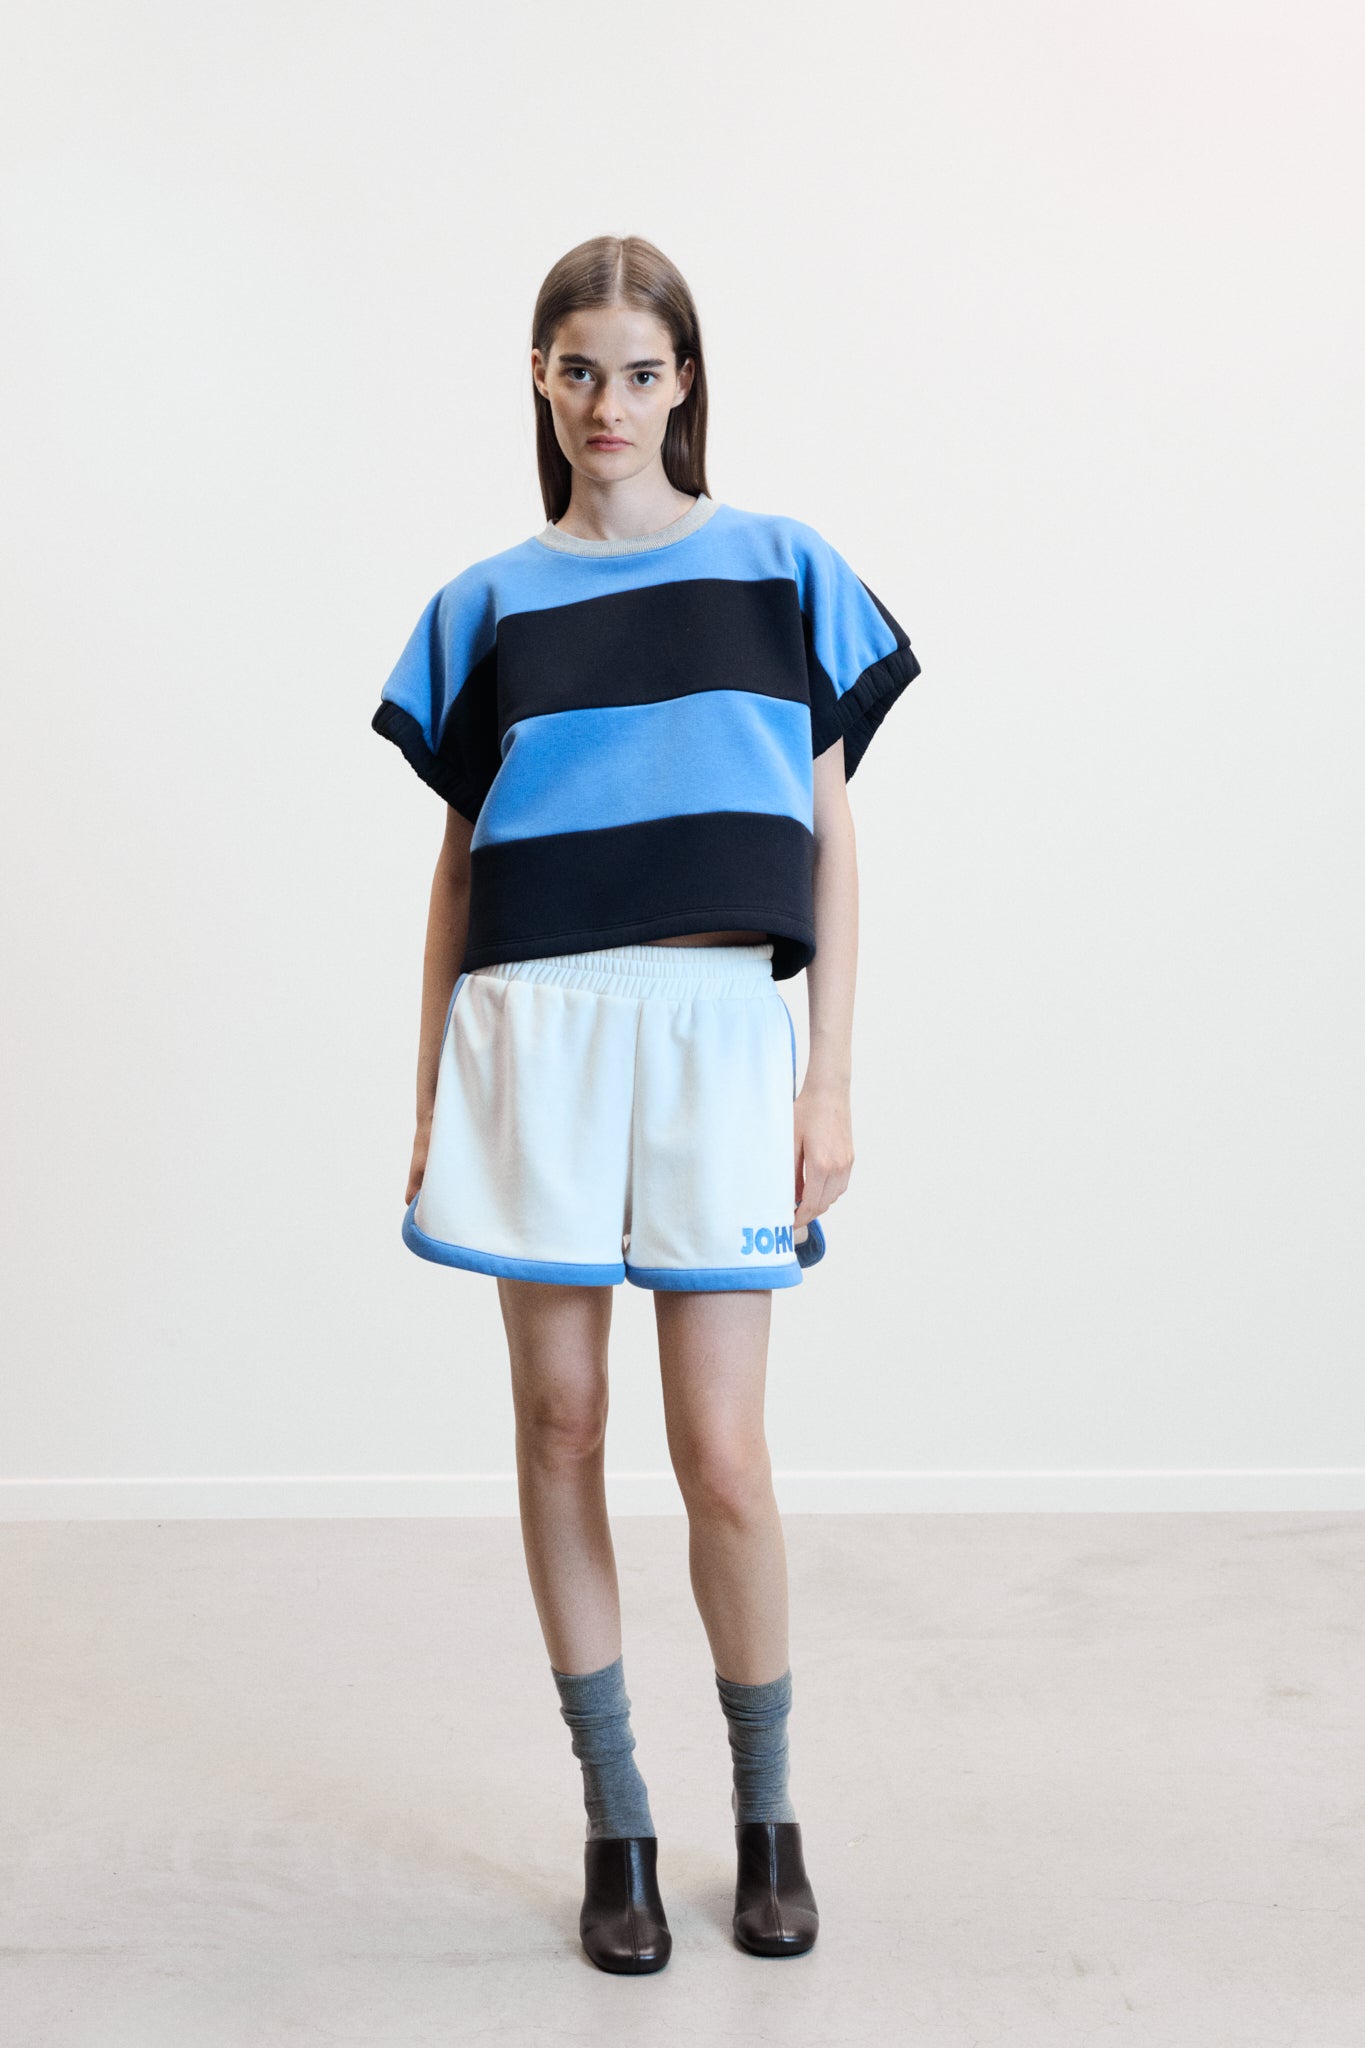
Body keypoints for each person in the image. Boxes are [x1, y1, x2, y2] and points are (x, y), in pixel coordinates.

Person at [371, 234, 920, 1973]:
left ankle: (766, 1819)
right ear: (539, 383)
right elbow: (457, 876)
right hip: (532, 1031)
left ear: (685, 380)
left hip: (715, 1033)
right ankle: (615, 1820)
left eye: (638, 370)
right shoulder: (483, 606)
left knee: (722, 1454)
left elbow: (829, 838)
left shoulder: (783, 570)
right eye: (575, 370)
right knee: (558, 1420)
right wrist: (427, 1099)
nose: (607, 403)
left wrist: (829, 1075)